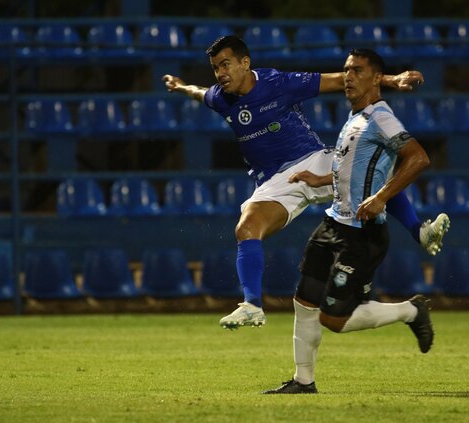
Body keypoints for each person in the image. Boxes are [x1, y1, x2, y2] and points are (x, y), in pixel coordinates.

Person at [162, 35, 449, 330]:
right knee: (246, 228)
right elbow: (200, 93)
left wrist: (390, 79)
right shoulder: (221, 97)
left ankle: (420, 231)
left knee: (365, 171)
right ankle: (252, 306)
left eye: (226, 64)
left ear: (245, 63)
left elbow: (340, 80)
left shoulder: (277, 82)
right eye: (215, 67)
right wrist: (181, 86)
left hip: (312, 160)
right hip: (276, 182)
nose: (220, 73)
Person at [263, 48, 434, 395]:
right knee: (304, 301)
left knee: (334, 320)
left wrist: (382, 197)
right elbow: (354, 170)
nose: (349, 77)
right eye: (346, 70)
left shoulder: (381, 117)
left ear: (376, 78)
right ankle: (303, 381)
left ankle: (410, 311)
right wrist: (320, 179)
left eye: (357, 71)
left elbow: (418, 158)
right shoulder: (355, 117)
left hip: (362, 235)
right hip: (333, 225)